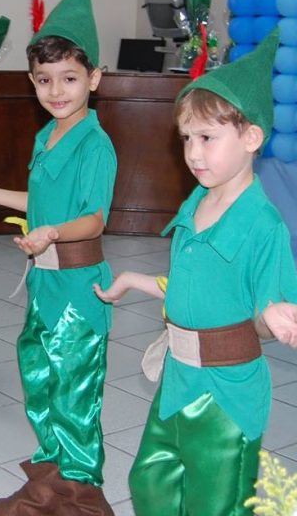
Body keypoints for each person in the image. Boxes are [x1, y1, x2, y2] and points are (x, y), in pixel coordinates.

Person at [94, 29, 297, 516]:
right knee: (152, 481)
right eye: (186, 138)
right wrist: (134, 281)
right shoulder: (197, 201)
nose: (193, 152)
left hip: (225, 391)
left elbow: (269, 309)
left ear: (251, 137)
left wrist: (276, 314)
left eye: (207, 138)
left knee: (216, 502)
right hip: (178, 378)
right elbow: (195, 286)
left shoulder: (263, 224)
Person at [0, 0, 117, 515]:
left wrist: (52, 233)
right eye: (44, 80)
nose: (56, 91)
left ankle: (78, 484)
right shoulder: (47, 135)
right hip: (45, 282)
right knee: (39, 371)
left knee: (74, 384)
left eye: (69, 78)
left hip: (78, 286)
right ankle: (53, 463)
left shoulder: (95, 144)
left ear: (94, 78)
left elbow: (92, 220)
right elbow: (42, 203)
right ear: (32, 81)